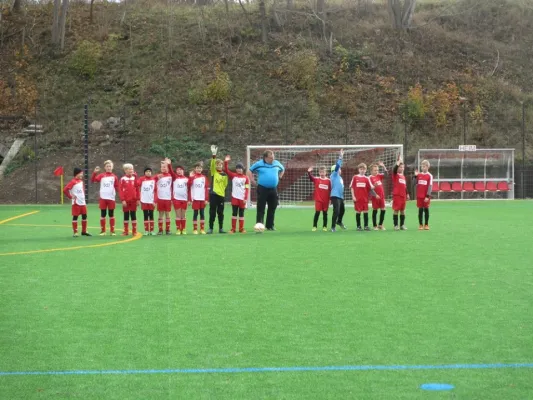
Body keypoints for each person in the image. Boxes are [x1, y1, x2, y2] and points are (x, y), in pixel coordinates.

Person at [247, 150, 285, 231]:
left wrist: (280, 176)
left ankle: (270, 225)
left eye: (273, 157)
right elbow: (249, 171)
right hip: (262, 188)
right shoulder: (259, 164)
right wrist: (252, 180)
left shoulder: (276, 163)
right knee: (261, 207)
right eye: (270, 158)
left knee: (273, 207)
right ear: (265, 158)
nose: (272, 159)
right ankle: (259, 225)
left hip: (273, 189)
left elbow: (283, 169)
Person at [91, 160, 119, 236]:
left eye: (110, 166)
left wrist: (121, 196)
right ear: (105, 168)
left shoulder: (114, 177)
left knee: (111, 214)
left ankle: (112, 231)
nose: (109, 168)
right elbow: (93, 180)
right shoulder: (101, 175)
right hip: (103, 198)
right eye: (107, 166)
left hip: (111, 198)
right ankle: (103, 231)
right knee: (103, 214)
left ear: (112, 167)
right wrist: (95, 172)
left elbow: (117, 187)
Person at [224, 155, 250, 233]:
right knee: (234, 213)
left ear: (243, 169)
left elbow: (247, 188)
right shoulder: (233, 176)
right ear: (236, 169)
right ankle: (233, 229)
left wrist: (245, 198)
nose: (239, 170)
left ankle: (241, 229)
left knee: (241, 213)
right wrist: (226, 161)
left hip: (242, 199)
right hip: (235, 197)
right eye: (238, 168)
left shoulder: (246, 178)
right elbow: (226, 170)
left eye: (240, 168)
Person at [63, 167, 91, 237]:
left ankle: (84, 231)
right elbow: (65, 190)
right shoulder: (73, 182)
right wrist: (70, 196)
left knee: (84, 216)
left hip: (82, 202)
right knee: (75, 217)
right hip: (76, 203)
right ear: (77, 174)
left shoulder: (81, 182)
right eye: (81, 173)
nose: (82, 175)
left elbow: (82, 191)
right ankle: (75, 232)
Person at [350, 163, 377, 231]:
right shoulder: (355, 177)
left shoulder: (367, 178)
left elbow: (371, 187)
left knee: (365, 212)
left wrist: (375, 185)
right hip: (357, 199)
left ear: (366, 170)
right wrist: (353, 196)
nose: (362, 170)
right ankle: (358, 226)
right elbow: (352, 187)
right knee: (358, 212)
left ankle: (366, 226)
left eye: (364, 169)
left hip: (365, 199)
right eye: (361, 169)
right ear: (358, 170)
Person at [208, 145, 228, 234]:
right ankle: (210, 228)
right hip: (213, 195)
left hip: (221, 196)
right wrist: (214, 155)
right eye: (217, 164)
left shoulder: (225, 175)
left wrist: (221, 192)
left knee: (220, 213)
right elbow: (212, 164)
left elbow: (225, 185)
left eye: (220, 164)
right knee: (212, 212)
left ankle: (221, 228)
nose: (219, 166)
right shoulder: (214, 172)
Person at [307, 166, 331, 232]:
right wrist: (309, 172)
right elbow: (311, 178)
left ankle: (325, 226)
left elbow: (330, 190)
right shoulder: (317, 179)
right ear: (319, 173)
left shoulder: (329, 181)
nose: (322, 173)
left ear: (326, 172)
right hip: (318, 200)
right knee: (317, 213)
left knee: (325, 213)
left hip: (326, 201)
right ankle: (314, 226)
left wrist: (330, 200)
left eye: (323, 172)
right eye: (320, 172)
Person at [119, 163, 139, 236]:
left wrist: (137, 199)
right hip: (126, 201)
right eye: (129, 169)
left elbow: (137, 189)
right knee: (126, 215)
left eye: (132, 169)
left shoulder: (135, 178)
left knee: (133, 215)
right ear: (125, 170)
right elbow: (120, 190)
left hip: (133, 200)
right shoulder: (122, 179)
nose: (131, 170)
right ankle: (126, 231)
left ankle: (134, 231)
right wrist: (123, 200)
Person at [189, 162, 209, 235]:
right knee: (195, 214)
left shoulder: (204, 177)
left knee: (202, 214)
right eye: (197, 168)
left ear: (202, 169)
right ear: (195, 169)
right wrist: (190, 177)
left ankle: (202, 229)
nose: (199, 169)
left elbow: (206, 189)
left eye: (200, 168)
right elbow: (189, 185)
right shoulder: (193, 177)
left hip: (202, 199)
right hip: (195, 199)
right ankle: (195, 229)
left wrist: (206, 199)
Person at [156, 158, 174, 235]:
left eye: (165, 167)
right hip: (160, 198)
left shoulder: (170, 176)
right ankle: (160, 230)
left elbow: (172, 172)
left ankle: (168, 229)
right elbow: (150, 180)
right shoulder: (158, 176)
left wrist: (169, 164)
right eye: (162, 167)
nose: (163, 168)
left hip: (168, 198)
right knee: (160, 214)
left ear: (167, 168)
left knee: (167, 214)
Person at [391, 155, 409, 230]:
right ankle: (395, 225)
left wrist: (407, 193)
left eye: (403, 167)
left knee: (403, 210)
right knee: (396, 210)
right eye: (400, 167)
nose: (402, 168)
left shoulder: (403, 176)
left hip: (403, 196)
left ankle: (402, 225)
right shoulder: (395, 175)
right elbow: (394, 169)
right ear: (398, 167)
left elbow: (405, 186)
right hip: (397, 195)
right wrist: (398, 163)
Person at [137, 167, 157, 236]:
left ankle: (151, 230)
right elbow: (137, 184)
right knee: (145, 215)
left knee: (151, 215)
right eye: (147, 171)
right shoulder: (141, 179)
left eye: (149, 171)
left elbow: (155, 191)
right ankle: (146, 230)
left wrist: (155, 201)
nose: (148, 172)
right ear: (144, 173)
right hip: (144, 200)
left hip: (151, 201)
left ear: (151, 173)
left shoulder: (153, 180)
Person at [330, 149, 346, 232]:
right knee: (336, 211)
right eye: (339, 168)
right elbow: (337, 166)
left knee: (342, 210)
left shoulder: (340, 178)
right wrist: (341, 157)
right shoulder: (334, 175)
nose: (340, 169)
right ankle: (333, 227)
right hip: (335, 195)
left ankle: (339, 221)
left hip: (340, 196)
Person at [414, 160, 433, 230]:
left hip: (426, 197)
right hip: (419, 196)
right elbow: (414, 183)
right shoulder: (419, 175)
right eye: (422, 166)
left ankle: (426, 224)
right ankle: (420, 224)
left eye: (424, 166)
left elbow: (430, 186)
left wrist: (427, 196)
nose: (423, 168)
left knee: (426, 209)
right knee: (420, 210)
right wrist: (415, 176)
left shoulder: (430, 175)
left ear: (428, 167)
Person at [369, 161, 388, 230]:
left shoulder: (379, 176)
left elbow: (386, 175)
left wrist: (383, 166)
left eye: (377, 170)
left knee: (383, 209)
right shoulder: (370, 178)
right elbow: (370, 188)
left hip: (382, 196)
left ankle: (380, 225)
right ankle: (375, 226)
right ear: (371, 171)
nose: (376, 171)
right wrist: (375, 194)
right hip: (375, 197)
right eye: (375, 170)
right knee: (375, 210)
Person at [172, 164, 190, 235]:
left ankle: (184, 229)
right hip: (176, 199)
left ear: (183, 171)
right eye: (177, 170)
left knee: (183, 215)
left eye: (180, 170)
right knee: (178, 215)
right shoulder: (175, 178)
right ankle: (178, 229)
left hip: (184, 199)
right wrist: (169, 164)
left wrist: (189, 200)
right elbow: (171, 171)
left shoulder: (187, 179)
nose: (179, 171)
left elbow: (189, 189)